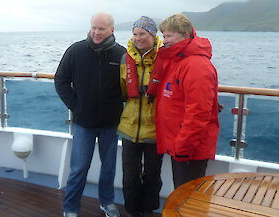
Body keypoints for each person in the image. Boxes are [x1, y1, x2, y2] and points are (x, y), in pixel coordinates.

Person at [54, 13, 126, 217]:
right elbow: (61, 80)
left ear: (111, 30)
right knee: (79, 168)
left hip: (110, 123)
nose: (96, 32)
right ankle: (70, 207)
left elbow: (126, 88)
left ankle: (106, 202)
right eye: (93, 27)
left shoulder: (121, 54)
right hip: (83, 122)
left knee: (109, 168)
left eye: (101, 28)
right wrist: (75, 105)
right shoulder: (76, 51)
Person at [148, 13, 220, 189]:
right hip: (179, 144)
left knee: (186, 198)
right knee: (181, 194)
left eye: (170, 36)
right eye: (163, 36)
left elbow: (198, 113)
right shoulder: (178, 60)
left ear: (185, 35)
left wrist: (183, 148)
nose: (164, 41)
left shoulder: (196, 66)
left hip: (189, 150)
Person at [117, 16, 163, 217]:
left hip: (155, 129)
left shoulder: (165, 58)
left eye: (142, 34)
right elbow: (121, 89)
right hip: (129, 127)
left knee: (153, 175)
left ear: (153, 35)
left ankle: (148, 210)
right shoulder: (124, 58)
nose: (137, 38)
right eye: (135, 34)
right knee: (130, 176)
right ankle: (132, 211)